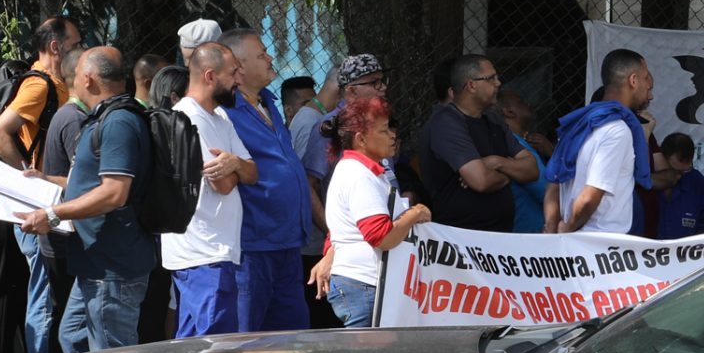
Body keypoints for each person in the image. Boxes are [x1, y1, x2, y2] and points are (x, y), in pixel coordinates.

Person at [17, 47, 151, 353]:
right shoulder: (105, 117)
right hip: (96, 261)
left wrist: (52, 214)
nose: (71, 81)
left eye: (75, 75)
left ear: (88, 79)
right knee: (73, 336)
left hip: (112, 266)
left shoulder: (118, 122)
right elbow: (94, 184)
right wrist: (46, 180)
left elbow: (114, 192)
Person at [0, 17, 81, 353]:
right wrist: (30, 178)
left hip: (53, 200)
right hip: (40, 202)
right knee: (44, 295)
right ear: (56, 46)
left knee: (48, 291)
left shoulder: (54, 83)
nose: (79, 50)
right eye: (75, 43)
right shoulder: (39, 86)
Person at [217, 29, 310, 331]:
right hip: (253, 247)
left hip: (287, 242)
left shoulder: (268, 101)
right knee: (248, 338)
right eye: (262, 54)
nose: (270, 58)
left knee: (291, 336)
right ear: (239, 67)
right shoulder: (225, 111)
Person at [162, 42, 257, 337]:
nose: (238, 80)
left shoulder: (221, 117)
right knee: (214, 346)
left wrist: (234, 163)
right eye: (232, 73)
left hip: (215, 253)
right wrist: (235, 168)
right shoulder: (186, 119)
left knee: (195, 345)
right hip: (203, 255)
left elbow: (252, 172)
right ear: (209, 76)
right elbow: (224, 184)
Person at [316, 98, 432, 327]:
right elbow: (382, 237)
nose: (392, 135)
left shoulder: (366, 171)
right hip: (363, 286)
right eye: (384, 130)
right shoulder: (359, 175)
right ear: (361, 138)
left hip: (366, 285)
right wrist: (414, 214)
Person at [544, 48, 654, 236]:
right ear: (633, 81)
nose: (649, 94)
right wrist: (567, 228)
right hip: (600, 244)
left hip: (572, 241)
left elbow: (553, 184)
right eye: (646, 80)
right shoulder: (617, 130)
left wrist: (551, 227)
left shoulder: (578, 124)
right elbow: (591, 195)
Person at [419, 54, 534, 231]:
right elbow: (482, 181)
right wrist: (512, 172)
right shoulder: (446, 123)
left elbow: (532, 170)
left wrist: (497, 162)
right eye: (491, 78)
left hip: (499, 238)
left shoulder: (493, 120)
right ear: (471, 85)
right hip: (461, 240)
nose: (498, 83)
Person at [497, 87, 553, 233]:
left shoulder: (517, 142)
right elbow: (546, 191)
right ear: (508, 112)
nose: (528, 104)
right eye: (521, 102)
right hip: (528, 238)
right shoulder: (516, 146)